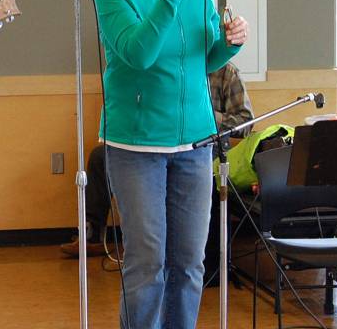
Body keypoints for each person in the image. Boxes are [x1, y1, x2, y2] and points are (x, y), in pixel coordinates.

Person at [92, 0, 248, 329]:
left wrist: (227, 44)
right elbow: (137, 53)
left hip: (195, 141)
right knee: (148, 261)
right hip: (135, 144)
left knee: (189, 261)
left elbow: (199, 60)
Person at [60, 61, 253, 258]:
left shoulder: (226, 71)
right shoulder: (165, 63)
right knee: (100, 156)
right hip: (157, 141)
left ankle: (165, 246)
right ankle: (94, 234)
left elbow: (245, 122)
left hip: (205, 148)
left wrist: (204, 113)